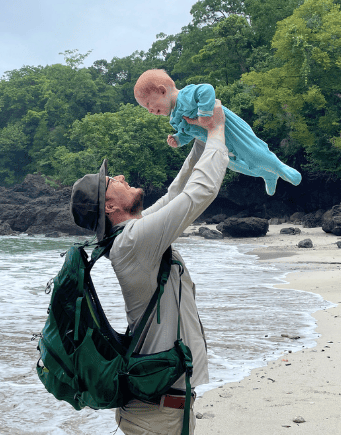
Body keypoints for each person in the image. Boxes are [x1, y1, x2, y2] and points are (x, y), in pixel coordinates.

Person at [69, 100, 229, 435]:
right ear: (110, 205)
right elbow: (199, 193)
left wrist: (199, 138)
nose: (121, 176)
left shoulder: (130, 237)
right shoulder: (133, 243)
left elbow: (177, 193)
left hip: (157, 410)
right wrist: (216, 131)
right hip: (156, 416)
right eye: (112, 180)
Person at [133, 68, 301, 196]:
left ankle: (279, 167)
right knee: (239, 166)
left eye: (148, 104)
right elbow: (188, 132)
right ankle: (267, 174)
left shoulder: (185, 96)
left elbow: (207, 89)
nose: (149, 110)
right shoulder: (174, 119)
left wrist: (204, 113)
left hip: (230, 130)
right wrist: (178, 139)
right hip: (217, 140)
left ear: (162, 91)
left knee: (253, 152)